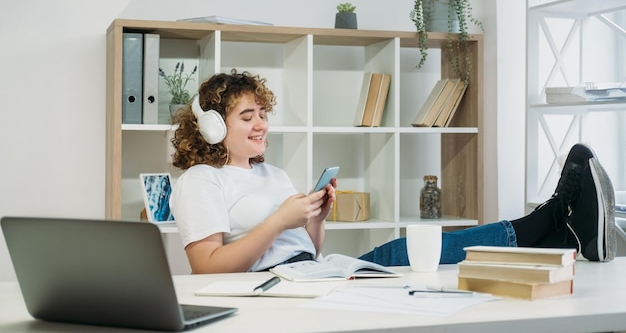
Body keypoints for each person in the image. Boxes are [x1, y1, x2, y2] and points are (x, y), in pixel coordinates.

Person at [169, 69, 616, 274]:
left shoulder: (275, 175)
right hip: (278, 289)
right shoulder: (201, 181)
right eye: (247, 116)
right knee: (415, 250)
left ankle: (560, 232)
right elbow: (207, 268)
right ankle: (554, 220)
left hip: (313, 273)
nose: (262, 123)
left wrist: (316, 220)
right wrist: (279, 221)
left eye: (263, 113)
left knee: (421, 252)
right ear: (212, 126)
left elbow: (308, 249)